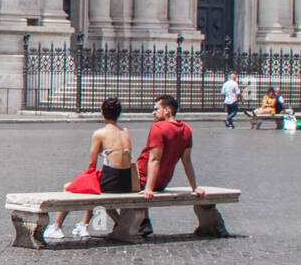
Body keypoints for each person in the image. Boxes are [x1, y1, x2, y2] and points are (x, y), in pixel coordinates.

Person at [44, 96, 133, 242]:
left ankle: (57, 226)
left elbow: (92, 164)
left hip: (111, 182)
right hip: (125, 181)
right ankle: (84, 225)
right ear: (119, 113)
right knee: (93, 187)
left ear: (102, 113)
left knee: (71, 187)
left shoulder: (100, 133)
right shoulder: (126, 131)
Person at [136, 94, 204, 235]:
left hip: (140, 178)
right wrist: (194, 187)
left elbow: (155, 159)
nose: (153, 113)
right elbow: (187, 162)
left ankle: (139, 221)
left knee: (102, 183)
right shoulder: (186, 129)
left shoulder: (158, 128)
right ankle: (142, 220)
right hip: (163, 181)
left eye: (156, 109)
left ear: (167, 110)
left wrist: (149, 188)